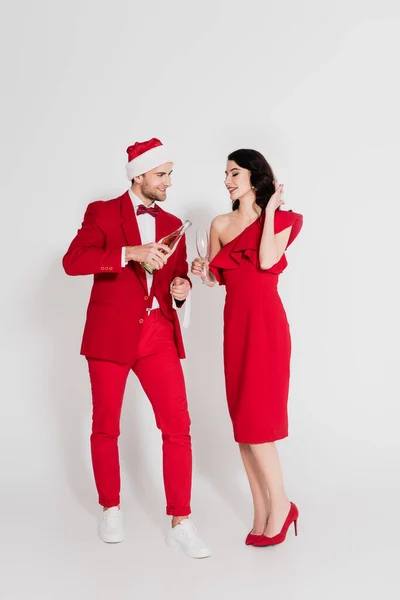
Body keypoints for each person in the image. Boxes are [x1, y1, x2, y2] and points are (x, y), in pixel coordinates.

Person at [63, 138, 210, 558]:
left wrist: (182, 289)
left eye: (170, 174)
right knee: (106, 425)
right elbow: (73, 261)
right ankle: (110, 507)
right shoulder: (103, 212)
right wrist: (129, 252)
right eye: (161, 174)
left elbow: (176, 277)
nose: (168, 182)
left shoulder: (174, 222)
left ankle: (181, 519)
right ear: (139, 175)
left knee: (177, 427)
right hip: (110, 335)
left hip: (157, 333)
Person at [191, 149, 303, 547]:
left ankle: (284, 505)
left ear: (254, 177)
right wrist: (203, 273)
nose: (226, 179)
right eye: (224, 173)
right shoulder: (220, 223)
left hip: (268, 329)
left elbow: (268, 259)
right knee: (243, 426)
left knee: (258, 425)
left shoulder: (285, 220)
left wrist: (269, 210)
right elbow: (219, 281)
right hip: (236, 328)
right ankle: (261, 512)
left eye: (234, 172)